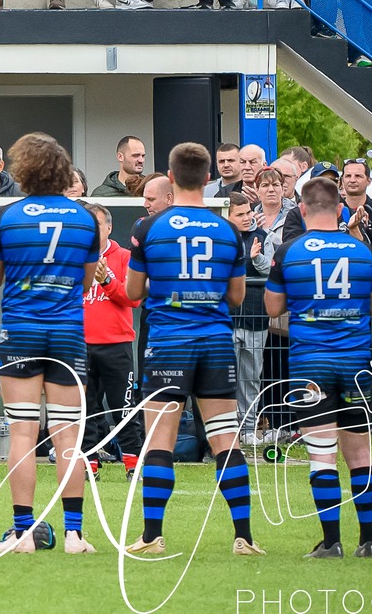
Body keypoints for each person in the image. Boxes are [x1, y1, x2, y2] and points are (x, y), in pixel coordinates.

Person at [124, 141, 258, 556]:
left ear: (170, 174)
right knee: (224, 439)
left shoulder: (148, 229)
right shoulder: (228, 230)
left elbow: (132, 292)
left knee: (160, 439)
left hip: (167, 342)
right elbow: (236, 296)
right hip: (216, 342)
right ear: (206, 178)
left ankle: (152, 536)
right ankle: (244, 537)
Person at [0, 133, 101, 554]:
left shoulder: (5, 216)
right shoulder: (86, 219)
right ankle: (73, 534)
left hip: (21, 331)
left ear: (24, 170)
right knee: (69, 437)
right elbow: (86, 281)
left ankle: (23, 533)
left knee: (22, 433)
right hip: (67, 331)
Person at [264, 175, 372, 560]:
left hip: (309, 363)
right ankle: (367, 541)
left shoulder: (288, 252)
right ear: (340, 209)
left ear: (301, 209)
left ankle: (331, 541)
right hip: (355, 364)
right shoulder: (363, 252)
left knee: (322, 454)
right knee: (361, 454)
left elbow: (272, 308)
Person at [80, 202, 138, 466]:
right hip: (81, 345)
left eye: (97, 225)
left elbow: (133, 298)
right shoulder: (75, 256)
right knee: (86, 409)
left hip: (117, 344)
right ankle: (90, 463)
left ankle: (132, 462)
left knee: (123, 407)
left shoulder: (124, 256)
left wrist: (106, 282)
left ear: (110, 228)